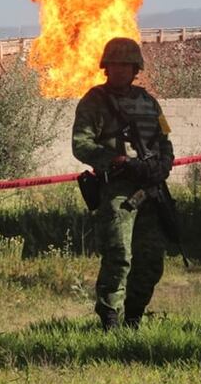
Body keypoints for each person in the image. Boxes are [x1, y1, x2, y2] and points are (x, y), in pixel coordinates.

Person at [72, 37, 174, 331]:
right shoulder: (95, 101)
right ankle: (110, 319)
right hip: (118, 190)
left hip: (151, 190)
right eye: (114, 65)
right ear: (106, 67)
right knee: (119, 255)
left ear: (135, 68)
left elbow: (164, 139)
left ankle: (134, 317)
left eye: (125, 65)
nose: (119, 70)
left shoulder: (149, 102)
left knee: (151, 259)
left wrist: (163, 166)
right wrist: (114, 160)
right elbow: (81, 144)